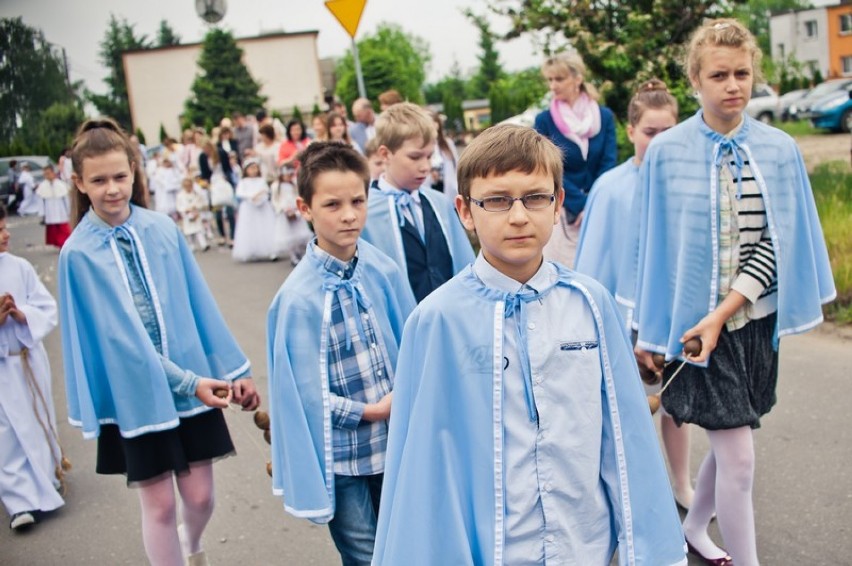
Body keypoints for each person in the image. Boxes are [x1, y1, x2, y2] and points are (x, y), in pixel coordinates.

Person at [372, 124, 686, 565]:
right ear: (465, 211)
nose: (518, 216)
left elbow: (623, 433)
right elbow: (424, 461)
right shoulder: (436, 319)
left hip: (585, 544)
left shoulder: (591, 304)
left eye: (535, 197)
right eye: (497, 200)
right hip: (496, 549)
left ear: (558, 203)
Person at [625, 20, 835, 566]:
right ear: (695, 78)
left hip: (752, 323)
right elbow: (653, 248)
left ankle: (695, 527)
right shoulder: (667, 153)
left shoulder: (780, 149)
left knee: (733, 433)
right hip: (698, 332)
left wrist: (727, 311)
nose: (732, 85)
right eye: (718, 74)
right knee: (739, 459)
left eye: (742, 73)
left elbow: (778, 244)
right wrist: (650, 329)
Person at [58, 118, 260, 566]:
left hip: (193, 382)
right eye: (98, 180)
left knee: (201, 497)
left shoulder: (162, 229)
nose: (112, 188)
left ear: (134, 170)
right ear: (78, 182)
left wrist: (234, 370)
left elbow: (199, 303)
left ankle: (192, 545)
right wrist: (190, 383)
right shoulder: (78, 253)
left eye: (119, 176)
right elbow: (121, 340)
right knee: (161, 505)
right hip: (138, 393)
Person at [267, 142, 416, 566]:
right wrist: (368, 411)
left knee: (404, 546)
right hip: (343, 461)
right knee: (366, 555)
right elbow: (299, 398)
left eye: (357, 201)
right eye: (332, 204)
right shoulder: (296, 300)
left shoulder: (382, 269)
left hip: (394, 447)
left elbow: (411, 345)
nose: (349, 214)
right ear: (305, 208)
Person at [574, 79, 697, 511]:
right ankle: (628, 493)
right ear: (630, 132)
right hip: (622, 323)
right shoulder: (611, 187)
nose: (660, 141)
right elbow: (595, 264)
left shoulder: (689, 186)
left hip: (676, 317)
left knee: (676, 405)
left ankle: (682, 483)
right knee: (625, 410)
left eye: (668, 131)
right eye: (650, 132)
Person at [360, 102, 475, 303]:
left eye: (429, 156)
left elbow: (464, 263)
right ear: (385, 154)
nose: (425, 167)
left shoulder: (439, 203)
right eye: (415, 157)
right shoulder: (366, 212)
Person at [0, 203, 66, 531]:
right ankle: (19, 501)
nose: (6, 233)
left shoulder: (19, 266)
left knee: (39, 418)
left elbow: (46, 306)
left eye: (4, 226)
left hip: (26, 359)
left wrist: (22, 314)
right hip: (1, 369)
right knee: (7, 435)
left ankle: (48, 475)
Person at [534, 51, 617, 268]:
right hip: (563, 211)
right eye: (550, 80)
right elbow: (548, 169)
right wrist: (579, 205)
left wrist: (594, 203)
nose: (553, 86)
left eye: (559, 79)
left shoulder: (605, 116)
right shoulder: (544, 121)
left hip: (601, 206)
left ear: (577, 79)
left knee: (602, 268)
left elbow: (609, 163)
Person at [232, 158, 278, 262]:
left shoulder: (261, 180)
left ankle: (271, 251)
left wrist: (261, 198)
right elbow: (239, 193)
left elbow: (266, 191)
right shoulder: (243, 181)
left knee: (265, 228)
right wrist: (251, 197)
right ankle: (251, 251)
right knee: (250, 229)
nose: (254, 170)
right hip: (248, 208)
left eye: (256, 168)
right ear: (246, 170)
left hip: (262, 207)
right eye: (251, 168)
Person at [270, 165, 312, 266]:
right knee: (289, 236)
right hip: (284, 212)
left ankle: (302, 254)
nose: (289, 177)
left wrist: (296, 210)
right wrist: (283, 209)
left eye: (290, 175)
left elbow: (298, 197)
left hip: (295, 211)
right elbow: (275, 200)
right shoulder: (276, 186)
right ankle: (293, 256)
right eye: (287, 175)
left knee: (300, 234)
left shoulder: (294, 185)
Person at [35, 164, 72, 249]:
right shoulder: (42, 186)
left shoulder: (61, 184)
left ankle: (63, 244)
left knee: (63, 229)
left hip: (61, 210)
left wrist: (69, 211)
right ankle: (58, 244)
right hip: (49, 211)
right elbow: (41, 202)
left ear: (53, 173)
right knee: (53, 229)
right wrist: (42, 214)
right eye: (45, 174)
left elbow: (66, 199)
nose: (46, 176)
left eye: (48, 173)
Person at [428, 110, 460, 198]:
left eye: (433, 122)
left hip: (449, 188)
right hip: (431, 187)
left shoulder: (447, 143)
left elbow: (457, 165)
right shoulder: (422, 145)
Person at [176, 177, 210, 252]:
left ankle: (203, 244)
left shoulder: (196, 194)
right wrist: (185, 210)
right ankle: (191, 245)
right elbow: (179, 206)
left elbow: (201, 203)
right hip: (186, 215)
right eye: (186, 186)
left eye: (189, 186)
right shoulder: (180, 196)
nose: (188, 188)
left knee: (199, 230)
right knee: (189, 233)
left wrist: (196, 208)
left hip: (196, 214)